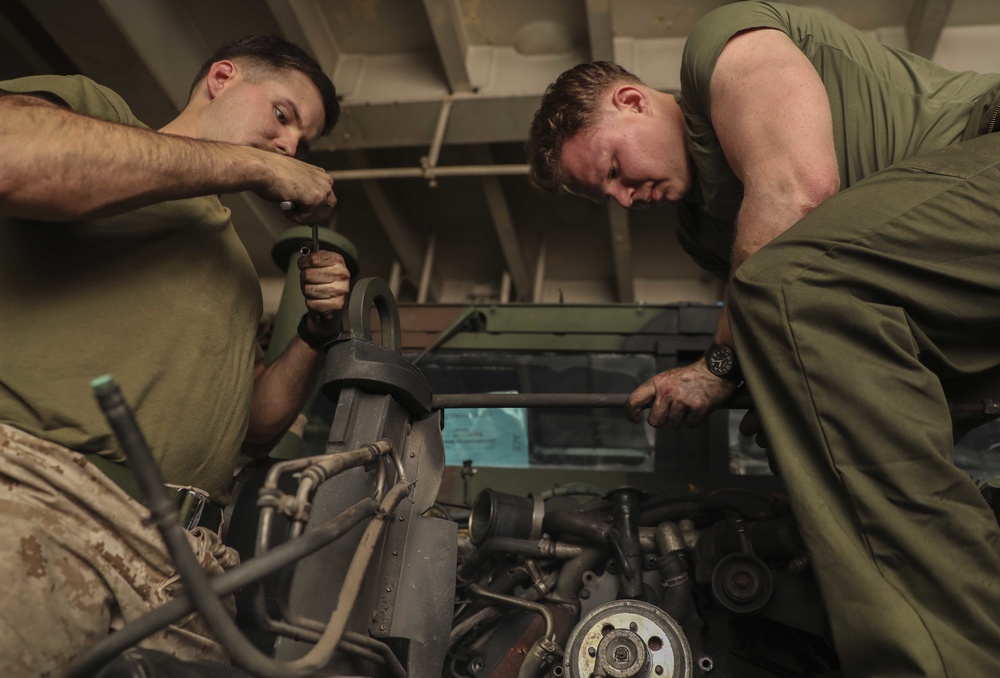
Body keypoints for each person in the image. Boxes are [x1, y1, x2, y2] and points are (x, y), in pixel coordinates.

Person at [528, 1, 1000, 675]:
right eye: (605, 196)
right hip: (970, 310)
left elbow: (798, 193)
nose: (625, 200)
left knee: (783, 283)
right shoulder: (704, 226)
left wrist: (717, 367)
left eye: (611, 169)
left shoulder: (723, 51)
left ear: (631, 101)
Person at [0, 35, 351, 674]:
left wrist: (318, 332)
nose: (291, 146)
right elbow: (13, 155)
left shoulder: (239, 274)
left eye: (303, 142)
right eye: (283, 115)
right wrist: (260, 166)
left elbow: (255, 427)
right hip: (40, 497)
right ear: (222, 77)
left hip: (182, 564)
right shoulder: (97, 114)